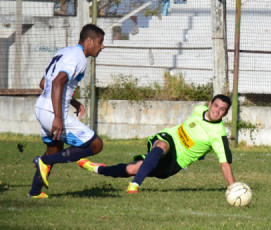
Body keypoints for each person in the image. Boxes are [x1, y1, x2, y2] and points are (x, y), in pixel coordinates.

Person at [78, 94, 236, 194]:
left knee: (133, 168)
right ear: (210, 104)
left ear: (225, 113)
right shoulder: (199, 109)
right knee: (161, 145)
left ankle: (98, 169)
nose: (217, 111)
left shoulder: (218, 135)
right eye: (215, 106)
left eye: (222, 110)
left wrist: (233, 189)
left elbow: (225, 164)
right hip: (169, 138)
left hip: (176, 161)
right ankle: (135, 185)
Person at [27, 24, 105, 198]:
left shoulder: (64, 52)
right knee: (96, 144)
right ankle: (43, 161)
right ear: (89, 41)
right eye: (100, 42)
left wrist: (74, 102)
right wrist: (58, 117)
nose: (102, 46)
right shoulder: (79, 58)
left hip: (41, 107)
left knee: (54, 149)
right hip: (52, 112)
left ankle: (34, 192)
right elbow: (57, 83)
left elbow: (43, 83)